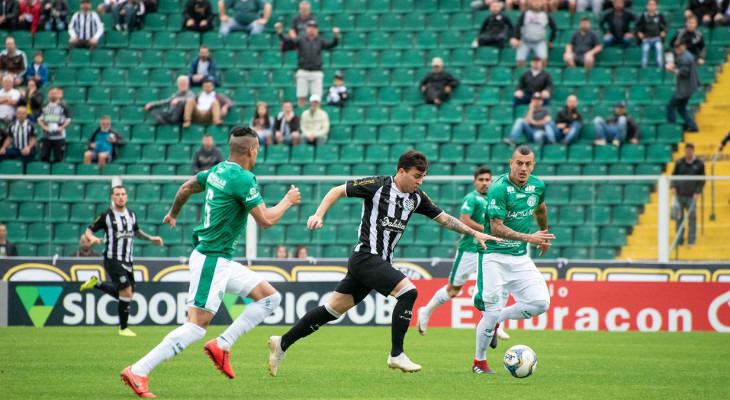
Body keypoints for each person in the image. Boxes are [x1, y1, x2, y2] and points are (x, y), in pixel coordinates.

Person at [267, 150, 501, 376]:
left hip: (375, 262)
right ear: (401, 171)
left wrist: (474, 233)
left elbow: (445, 219)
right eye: (417, 176)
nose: (420, 182)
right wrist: (318, 214)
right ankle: (396, 354)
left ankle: (282, 343)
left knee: (331, 310)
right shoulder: (377, 185)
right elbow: (337, 190)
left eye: (423, 177)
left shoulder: (416, 198)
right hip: (366, 256)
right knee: (409, 291)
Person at [120, 126, 301, 398]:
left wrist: (172, 214)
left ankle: (223, 344)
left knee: (269, 298)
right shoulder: (243, 178)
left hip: (219, 260)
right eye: (258, 150)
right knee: (195, 327)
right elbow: (266, 220)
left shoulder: (216, 170)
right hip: (212, 260)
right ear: (252, 150)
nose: (258, 154)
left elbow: (185, 188)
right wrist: (287, 201)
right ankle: (139, 370)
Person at [472, 145, 554, 374]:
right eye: (519, 163)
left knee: (541, 303)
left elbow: (540, 209)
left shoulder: (537, 186)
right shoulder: (498, 188)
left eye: (528, 164)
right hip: (493, 257)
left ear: (533, 166)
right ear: (511, 163)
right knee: (489, 309)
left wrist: (544, 235)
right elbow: (496, 228)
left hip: (519, 258)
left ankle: (499, 319)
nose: (523, 168)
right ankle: (479, 362)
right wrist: (531, 237)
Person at [417, 167, 510, 341]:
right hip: (469, 250)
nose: (484, 183)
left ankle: (496, 324)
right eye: (481, 180)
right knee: (453, 290)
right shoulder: (472, 198)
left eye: (487, 180)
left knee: (497, 286)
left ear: (491, 181)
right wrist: (487, 230)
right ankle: (426, 310)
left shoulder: (494, 199)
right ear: (475, 182)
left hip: (487, 251)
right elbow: (465, 220)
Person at [79, 185, 164, 337]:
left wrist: (151, 239)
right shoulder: (106, 215)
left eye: (123, 194)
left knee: (127, 295)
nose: (121, 197)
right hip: (112, 258)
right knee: (125, 291)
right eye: (117, 194)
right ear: (112, 197)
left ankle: (96, 284)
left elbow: (136, 232)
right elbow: (88, 231)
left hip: (128, 260)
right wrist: (92, 239)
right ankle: (123, 328)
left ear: (127, 197)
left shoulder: (131, 214)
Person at [276, 20, 340, 107]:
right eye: (310, 27)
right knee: (301, 97)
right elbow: (288, 41)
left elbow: (332, 44)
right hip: (303, 71)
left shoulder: (319, 40)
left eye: (314, 28)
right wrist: (280, 33)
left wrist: (336, 36)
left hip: (316, 72)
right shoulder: (301, 39)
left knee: (317, 98)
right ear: (306, 29)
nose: (312, 30)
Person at [670, 143, 705, 247]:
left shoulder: (699, 164)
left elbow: (702, 180)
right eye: (686, 151)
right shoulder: (679, 162)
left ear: (693, 151)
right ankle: (679, 240)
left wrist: (697, 192)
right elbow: (673, 176)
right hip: (679, 195)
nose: (687, 153)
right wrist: (673, 187)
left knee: (692, 218)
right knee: (678, 218)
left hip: (691, 195)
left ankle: (691, 240)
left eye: (689, 151)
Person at [511, 0, 557, 68]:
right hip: (525, 41)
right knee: (520, 61)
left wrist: (550, 41)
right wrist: (516, 38)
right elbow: (518, 26)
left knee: (543, 60)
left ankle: (541, 76)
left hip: (539, 42)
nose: (536, 3)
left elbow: (554, 28)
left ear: (541, 3)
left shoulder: (545, 15)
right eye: (534, 1)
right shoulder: (525, 14)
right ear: (531, 3)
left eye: (538, 1)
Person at [666, 41, 700, 132]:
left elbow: (684, 72)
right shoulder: (685, 55)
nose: (677, 48)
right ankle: (693, 126)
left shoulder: (685, 57)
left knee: (670, 106)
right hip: (688, 88)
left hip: (684, 89)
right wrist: (675, 66)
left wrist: (672, 70)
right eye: (675, 46)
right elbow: (681, 66)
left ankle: (671, 128)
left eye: (679, 46)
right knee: (681, 108)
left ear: (684, 46)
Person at [38, 87, 71, 163]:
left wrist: (62, 127)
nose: (53, 95)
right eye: (51, 93)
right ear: (48, 94)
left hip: (59, 137)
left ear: (58, 95)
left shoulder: (63, 106)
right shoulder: (44, 106)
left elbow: (68, 119)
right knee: (44, 157)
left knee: (58, 158)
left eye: (55, 93)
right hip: (46, 136)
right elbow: (39, 119)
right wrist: (44, 127)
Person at [0, 106, 37, 171]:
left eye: (23, 113)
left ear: (26, 115)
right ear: (16, 114)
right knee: (2, 154)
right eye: (19, 113)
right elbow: (9, 138)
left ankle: (24, 175)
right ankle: (6, 172)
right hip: (16, 149)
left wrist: (29, 147)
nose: (21, 115)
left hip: (28, 148)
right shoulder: (12, 125)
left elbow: (33, 139)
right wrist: (3, 147)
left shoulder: (31, 125)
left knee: (28, 156)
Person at [635, 0, 667, 69]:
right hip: (646, 40)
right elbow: (637, 26)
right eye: (649, 5)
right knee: (645, 54)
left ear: (656, 6)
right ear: (647, 6)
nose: (651, 7)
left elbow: (665, 25)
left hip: (657, 39)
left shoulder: (659, 15)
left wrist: (664, 31)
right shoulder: (643, 16)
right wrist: (639, 32)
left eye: (653, 5)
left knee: (659, 53)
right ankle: (644, 70)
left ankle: (660, 69)